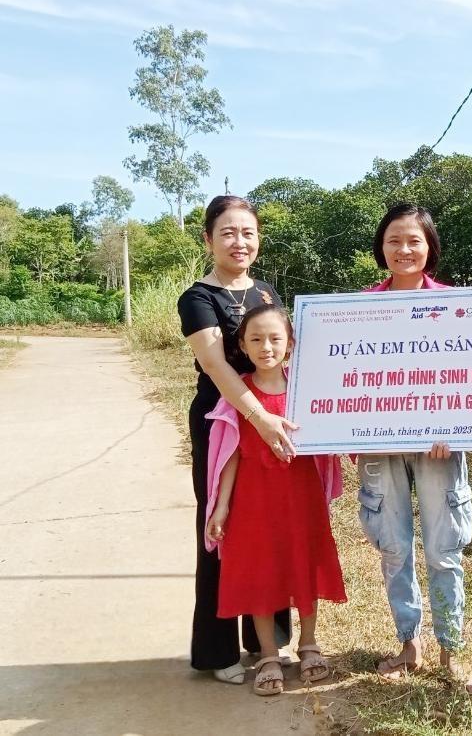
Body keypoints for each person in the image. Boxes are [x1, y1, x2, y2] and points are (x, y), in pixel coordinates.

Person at [356, 202, 472, 693]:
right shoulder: (355, 310)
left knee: (444, 550)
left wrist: (457, 428)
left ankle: (452, 649)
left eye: (414, 241)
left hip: (438, 449)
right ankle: (409, 643)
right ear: (381, 248)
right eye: (394, 241)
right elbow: (343, 376)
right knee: (393, 548)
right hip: (378, 449)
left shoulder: (456, 306)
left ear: (430, 248)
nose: (404, 250)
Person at [177, 196, 297, 684]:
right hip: (223, 424)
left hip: (270, 420)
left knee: (269, 526)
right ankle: (217, 648)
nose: (239, 242)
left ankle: (268, 642)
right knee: (221, 527)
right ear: (209, 239)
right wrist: (259, 418)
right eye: (228, 232)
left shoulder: (266, 292)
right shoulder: (197, 298)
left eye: (248, 232)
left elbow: (285, 352)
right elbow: (216, 366)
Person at [205, 304, 346, 696]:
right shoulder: (239, 394)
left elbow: (335, 428)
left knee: (305, 562)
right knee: (260, 571)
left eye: (274, 338)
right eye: (256, 339)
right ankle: (268, 655)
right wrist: (221, 506)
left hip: (302, 496)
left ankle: (309, 644)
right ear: (242, 346)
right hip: (253, 500)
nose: (266, 347)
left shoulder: (307, 388)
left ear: (291, 344)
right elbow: (231, 453)